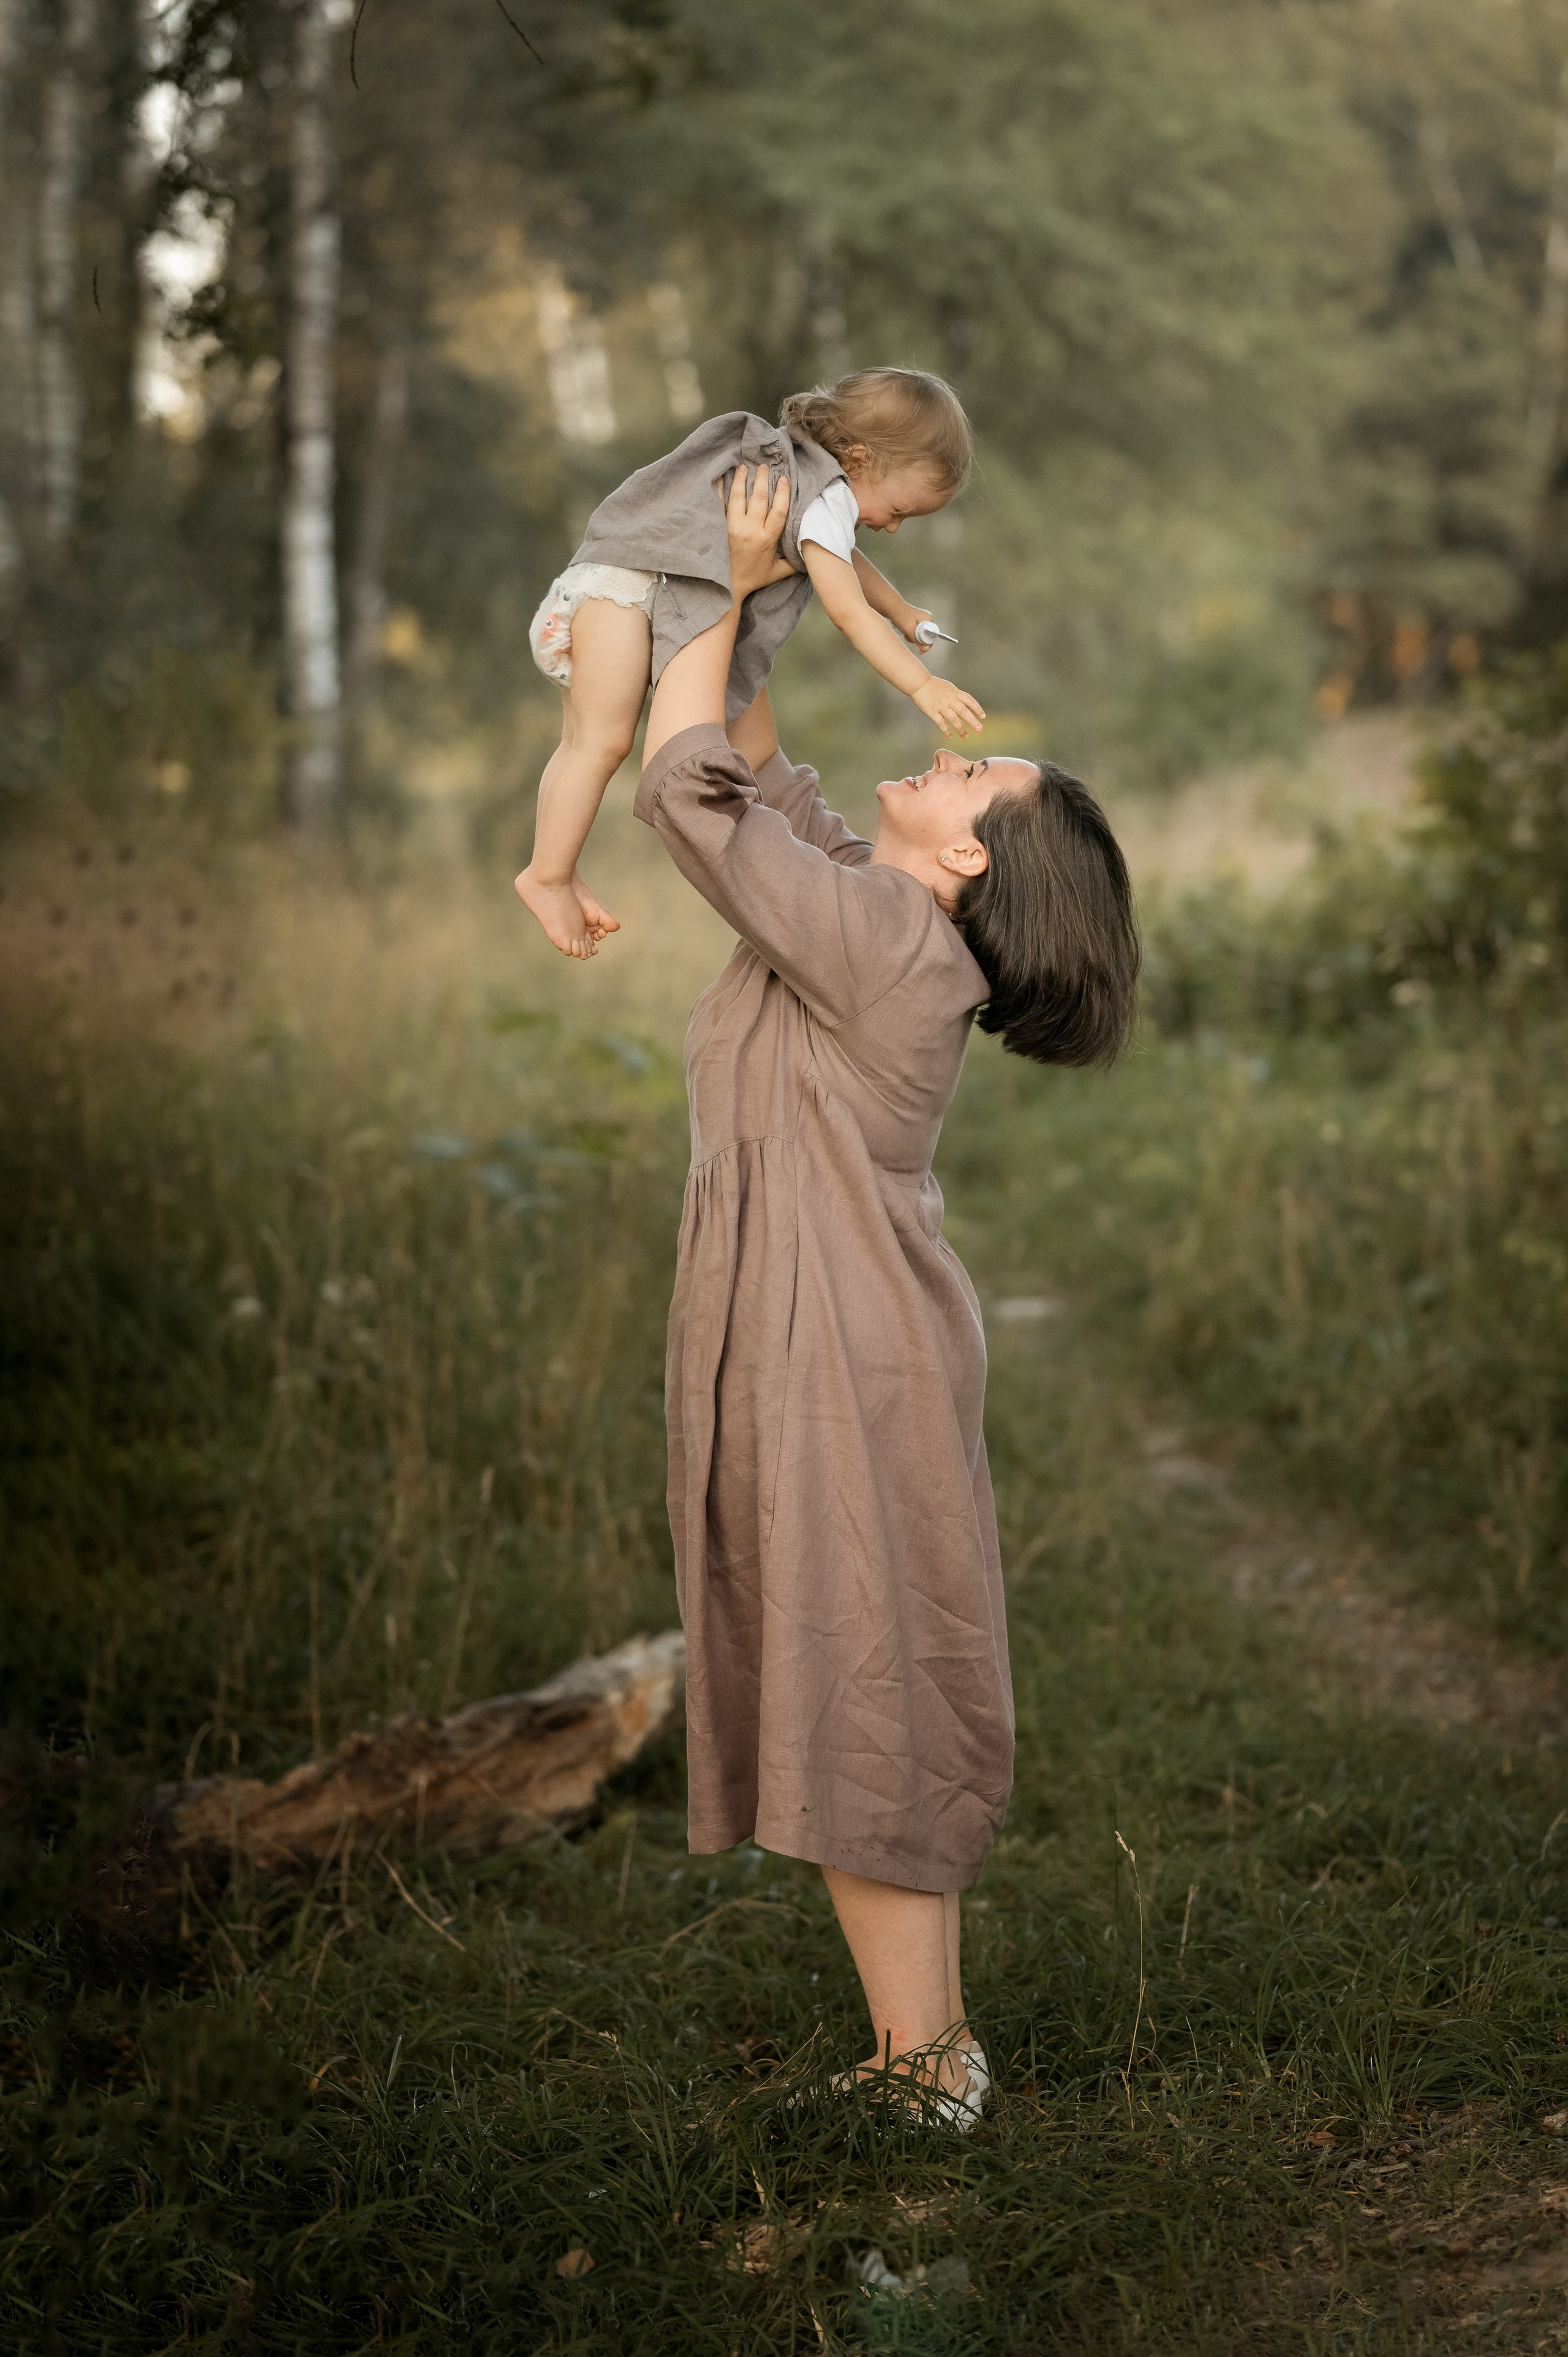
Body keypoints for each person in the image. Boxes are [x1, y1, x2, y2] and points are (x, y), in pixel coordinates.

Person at [636, 466, 1140, 2129]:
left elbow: (685, 791)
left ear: (977, 856)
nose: (949, 749)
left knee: (865, 1673)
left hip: (839, 1345)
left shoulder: (881, 947)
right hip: (829, 1326)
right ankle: (925, 2052)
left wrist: (709, 587)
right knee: (864, 1668)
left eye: (975, 769)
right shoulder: (873, 914)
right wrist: (760, 584)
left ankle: (930, 2069)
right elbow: (758, 766)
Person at [516, 368, 986, 959]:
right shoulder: (823, 496)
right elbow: (846, 608)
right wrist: (922, 686)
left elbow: (849, 562)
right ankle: (548, 876)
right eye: (899, 510)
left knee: (584, 743)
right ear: (861, 459)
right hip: (627, 587)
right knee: (602, 743)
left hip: (611, 581)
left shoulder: (811, 483)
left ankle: (552, 869)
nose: (891, 526)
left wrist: (902, 610)